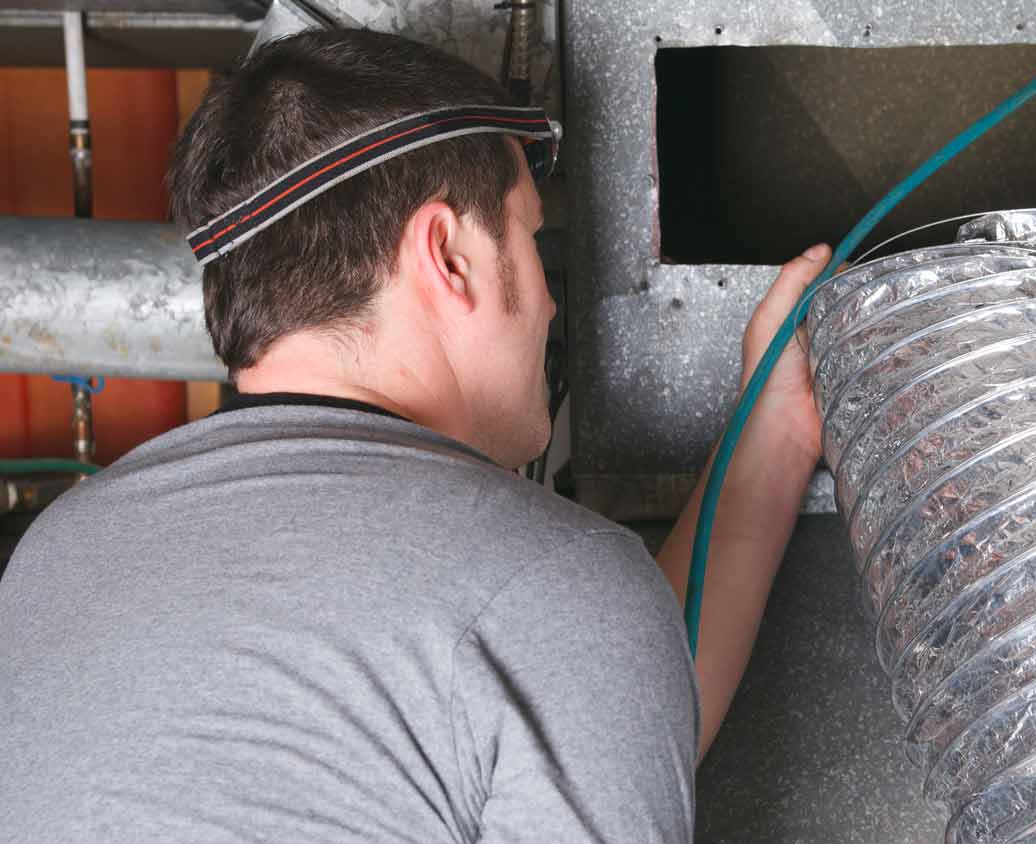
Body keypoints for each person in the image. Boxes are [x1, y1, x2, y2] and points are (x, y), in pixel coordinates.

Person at [0, 28, 830, 842]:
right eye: (531, 237)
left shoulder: (55, 558)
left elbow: (590, 717)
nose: (546, 304)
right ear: (449, 257)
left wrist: (779, 430)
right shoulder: (545, 587)